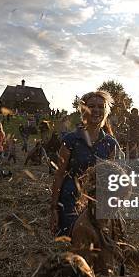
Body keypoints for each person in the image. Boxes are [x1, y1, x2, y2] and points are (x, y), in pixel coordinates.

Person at [50, 91, 120, 237]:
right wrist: (54, 209)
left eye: (101, 107)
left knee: (96, 247)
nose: (96, 110)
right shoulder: (71, 140)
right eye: (92, 106)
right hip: (71, 200)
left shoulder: (110, 143)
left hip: (97, 203)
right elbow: (59, 175)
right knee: (73, 245)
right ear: (83, 109)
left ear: (106, 111)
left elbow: (111, 181)